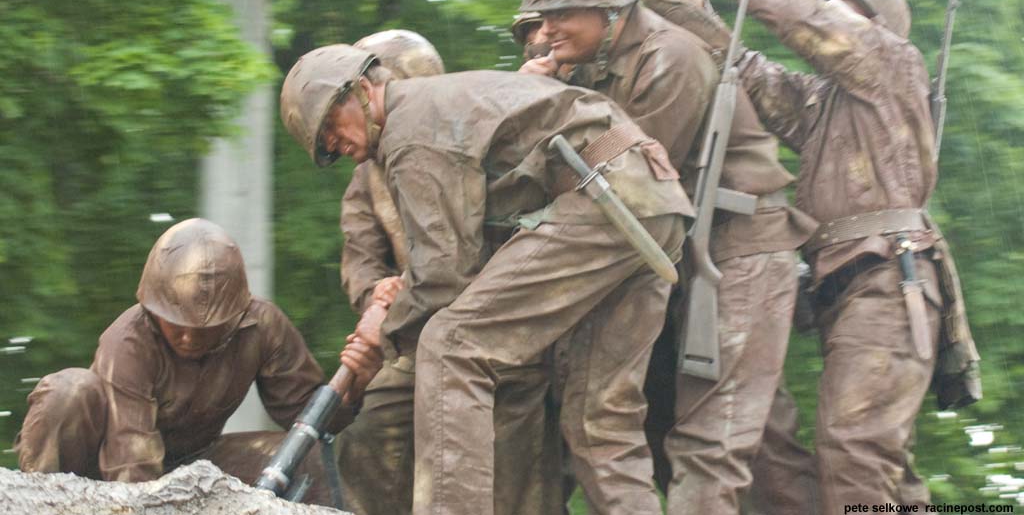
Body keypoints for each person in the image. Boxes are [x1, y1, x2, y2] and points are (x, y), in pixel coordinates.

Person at [629, 0, 980, 514]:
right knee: (787, 453)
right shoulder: (825, 105)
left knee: (854, 448)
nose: (826, 8)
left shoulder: (897, 66)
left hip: (890, 282)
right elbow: (734, 62)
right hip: (840, 287)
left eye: (842, 6)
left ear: (877, 31)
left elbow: (805, 18)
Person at [280, 45, 689, 515]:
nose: (334, 143)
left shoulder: (411, 132)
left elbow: (443, 279)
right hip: (651, 198)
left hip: (602, 193)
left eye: (331, 125)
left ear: (363, 89)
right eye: (324, 145)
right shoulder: (442, 105)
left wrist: (381, 335)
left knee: (450, 347)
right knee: (601, 423)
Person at [518, 0, 819, 515]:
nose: (546, 30)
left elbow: (626, 177)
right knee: (685, 437)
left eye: (561, 15)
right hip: (680, 255)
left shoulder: (668, 55)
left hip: (740, 253)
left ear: (610, 9)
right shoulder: (593, 67)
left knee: (715, 443)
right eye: (541, 16)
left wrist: (546, 110)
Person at [335, 29, 562, 515]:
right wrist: (378, 292)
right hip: (414, 327)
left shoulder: (475, 141)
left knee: (517, 467)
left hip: (501, 325)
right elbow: (359, 252)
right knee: (371, 431)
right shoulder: (365, 174)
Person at [16, 218, 379, 506]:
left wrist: (356, 386)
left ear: (235, 317)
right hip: (108, 468)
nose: (189, 337)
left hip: (194, 463)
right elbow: (133, 470)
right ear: (153, 308)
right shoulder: (127, 342)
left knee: (310, 458)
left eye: (206, 329)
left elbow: (312, 425)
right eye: (177, 323)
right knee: (68, 391)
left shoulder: (262, 326)